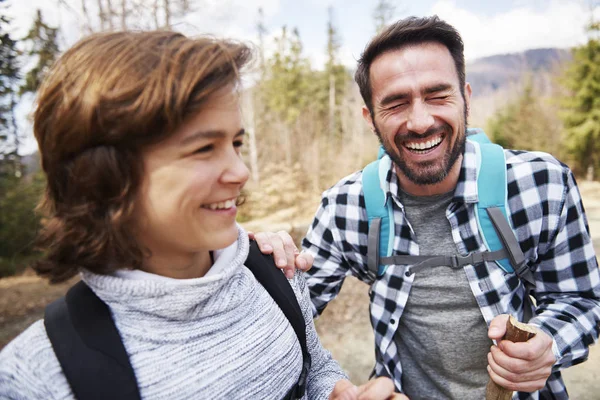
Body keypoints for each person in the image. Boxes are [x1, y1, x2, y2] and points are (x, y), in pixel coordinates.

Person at [0, 31, 406, 400]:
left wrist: (339, 393)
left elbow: (314, 368)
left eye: (235, 142)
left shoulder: (272, 274)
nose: (240, 172)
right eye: (203, 149)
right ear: (105, 175)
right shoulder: (37, 378)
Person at [253, 15, 600, 400]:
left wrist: (547, 343)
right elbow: (283, 317)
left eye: (438, 96)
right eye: (396, 104)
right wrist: (247, 258)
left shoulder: (540, 184)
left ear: (466, 98)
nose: (420, 121)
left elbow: (580, 299)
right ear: (370, 118)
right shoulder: (346, 205)